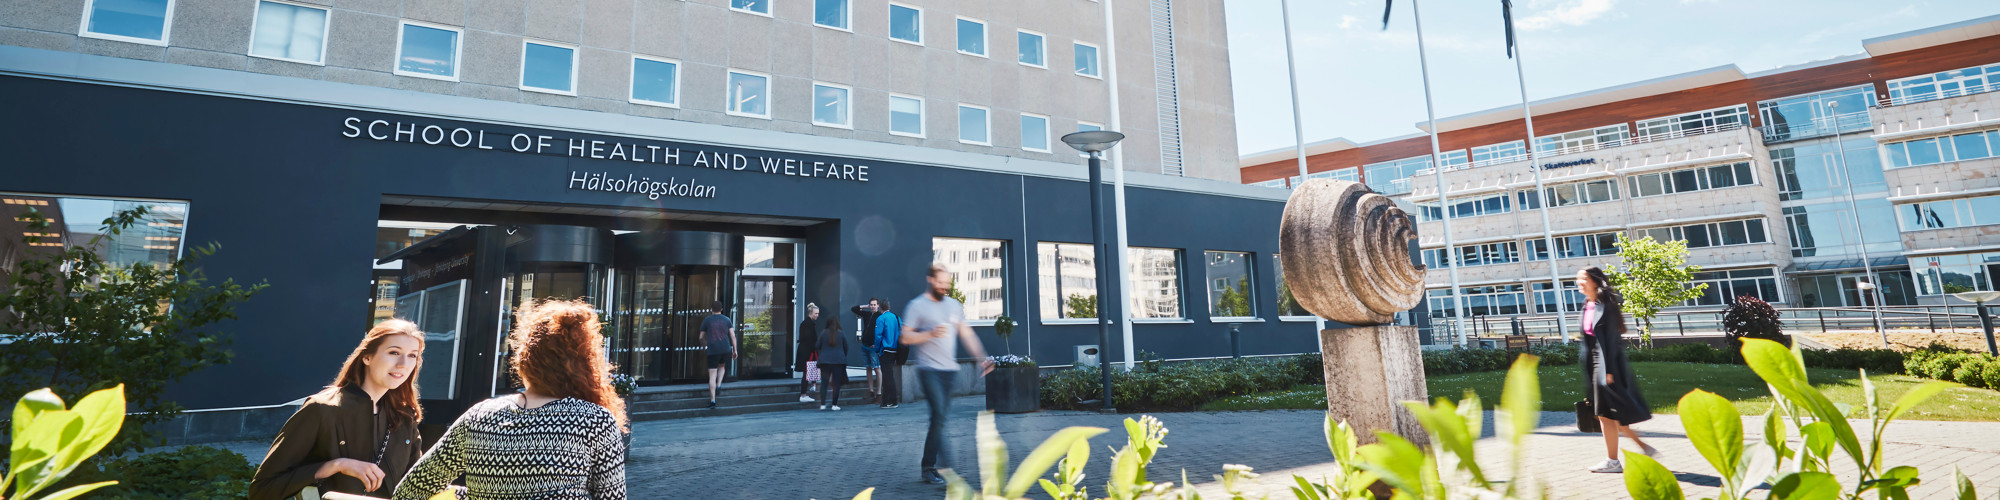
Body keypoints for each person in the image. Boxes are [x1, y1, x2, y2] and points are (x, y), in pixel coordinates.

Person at [392, 299, 627, 500]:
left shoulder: (479, 415)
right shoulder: (594, 420)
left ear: (525, 358)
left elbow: (410, 490)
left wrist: (473, 494)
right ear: (585, 364)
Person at [250, 320, 427, 500]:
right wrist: (337, 465)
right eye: (394, 352)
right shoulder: (322, 409)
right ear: (367, 357)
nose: (403, 364)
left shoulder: (405, 416)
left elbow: (419, 487)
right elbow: (263, 490)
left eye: (412, 355)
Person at [902, 263, 995, 485]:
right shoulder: (917, 306)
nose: (945, 287)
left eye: (948, 283)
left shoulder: (954, 305)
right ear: (930, 280)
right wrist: (930, 334)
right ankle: (945, 471)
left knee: (939, 420)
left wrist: (981, 357)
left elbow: (966, 333)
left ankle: (928, 467)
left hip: (949, 372)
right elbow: (905, 337)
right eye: (941, 282)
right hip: (928, 370)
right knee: (939, 416)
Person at [1576, 266, 1658, 473]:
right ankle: (1642, 447)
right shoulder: (1587, 305)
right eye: (1578, 279)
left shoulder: (1606, 306)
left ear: (1595, 281)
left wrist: (1609, 371)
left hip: (1606, 365)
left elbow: (1612, 341)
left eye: (1583, 278)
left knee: (1607, 414)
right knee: (1610, 413)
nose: (1579, 282)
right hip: (1595, 365)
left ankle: (1614, 461)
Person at [700, 303, 736, 409]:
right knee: (722, 366)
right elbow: (732, 335)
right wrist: (735, 350)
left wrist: (703, 345)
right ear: (722, 309)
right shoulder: (727, 320)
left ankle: (713, 401)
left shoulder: (707, 320)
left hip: (713, 349)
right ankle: (719, 384)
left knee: (712, 375)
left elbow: (701, 337)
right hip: (725, 348)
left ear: (711, 309)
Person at [851, 299, 885, 404]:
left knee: (877, 368)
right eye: (871, 305)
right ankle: (871, 390)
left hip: (874, 347)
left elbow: (883, 331)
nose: (873, 306)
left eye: (875, 305)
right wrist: (866, 306)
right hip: (865, 345)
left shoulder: (880, 316)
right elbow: (854, 309)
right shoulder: (867, 314)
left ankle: (879, 393)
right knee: (868, 368)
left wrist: (878, 344)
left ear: (878, 305)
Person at [874, 300, 904, 409]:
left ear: (880, 308)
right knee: (888, 375)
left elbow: (878, 336)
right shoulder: (896, 317)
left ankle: (892, 401)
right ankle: (886, 401)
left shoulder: (880, 319)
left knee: (888, 377)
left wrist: (877, 349)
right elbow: (901, 332)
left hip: (885, 350)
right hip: (895, 349)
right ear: (889, 307)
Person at [817, 318, 851, 410]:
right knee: (836, 384)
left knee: (824, 383)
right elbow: (846, 347)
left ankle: (823, 404)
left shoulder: (823, 333)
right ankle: (834, 405)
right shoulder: (841, 333)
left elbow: (817, 346)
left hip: (825, 361)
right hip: (838, 361)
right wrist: (842, 356)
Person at [797, 303, 821, 403]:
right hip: (808, 353)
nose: (817, 315)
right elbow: (809, 340)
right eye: (816, 313)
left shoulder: (806, 323)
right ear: (811, 313)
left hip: (806, 352)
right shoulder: (808, 324)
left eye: (818, 313)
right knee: (807, 373)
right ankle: (803, 395)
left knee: (808, 372)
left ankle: (810, 388)